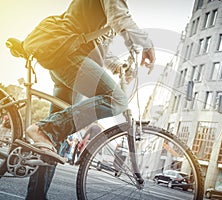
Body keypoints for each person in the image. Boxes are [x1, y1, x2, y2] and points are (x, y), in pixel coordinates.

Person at [23, 1, 155, 199]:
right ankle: (44, 129)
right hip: (68, 55)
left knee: (54, 137)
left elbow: (99, 47)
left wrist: (118, 66)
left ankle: (36, 196)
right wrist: (147, 44)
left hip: (66, 57)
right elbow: (121, 19)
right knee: (117, 99)